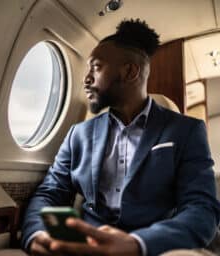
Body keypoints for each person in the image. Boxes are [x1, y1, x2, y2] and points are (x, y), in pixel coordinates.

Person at [21, 19, 220, 256]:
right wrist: (37, 234)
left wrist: (137, 244)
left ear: (129, 71)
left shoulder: (185, 131)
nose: (86, 79)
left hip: (153, 248)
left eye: (96, 67)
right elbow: (49, 193)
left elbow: (202, 209)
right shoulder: (79, 134)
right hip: (86, 246)